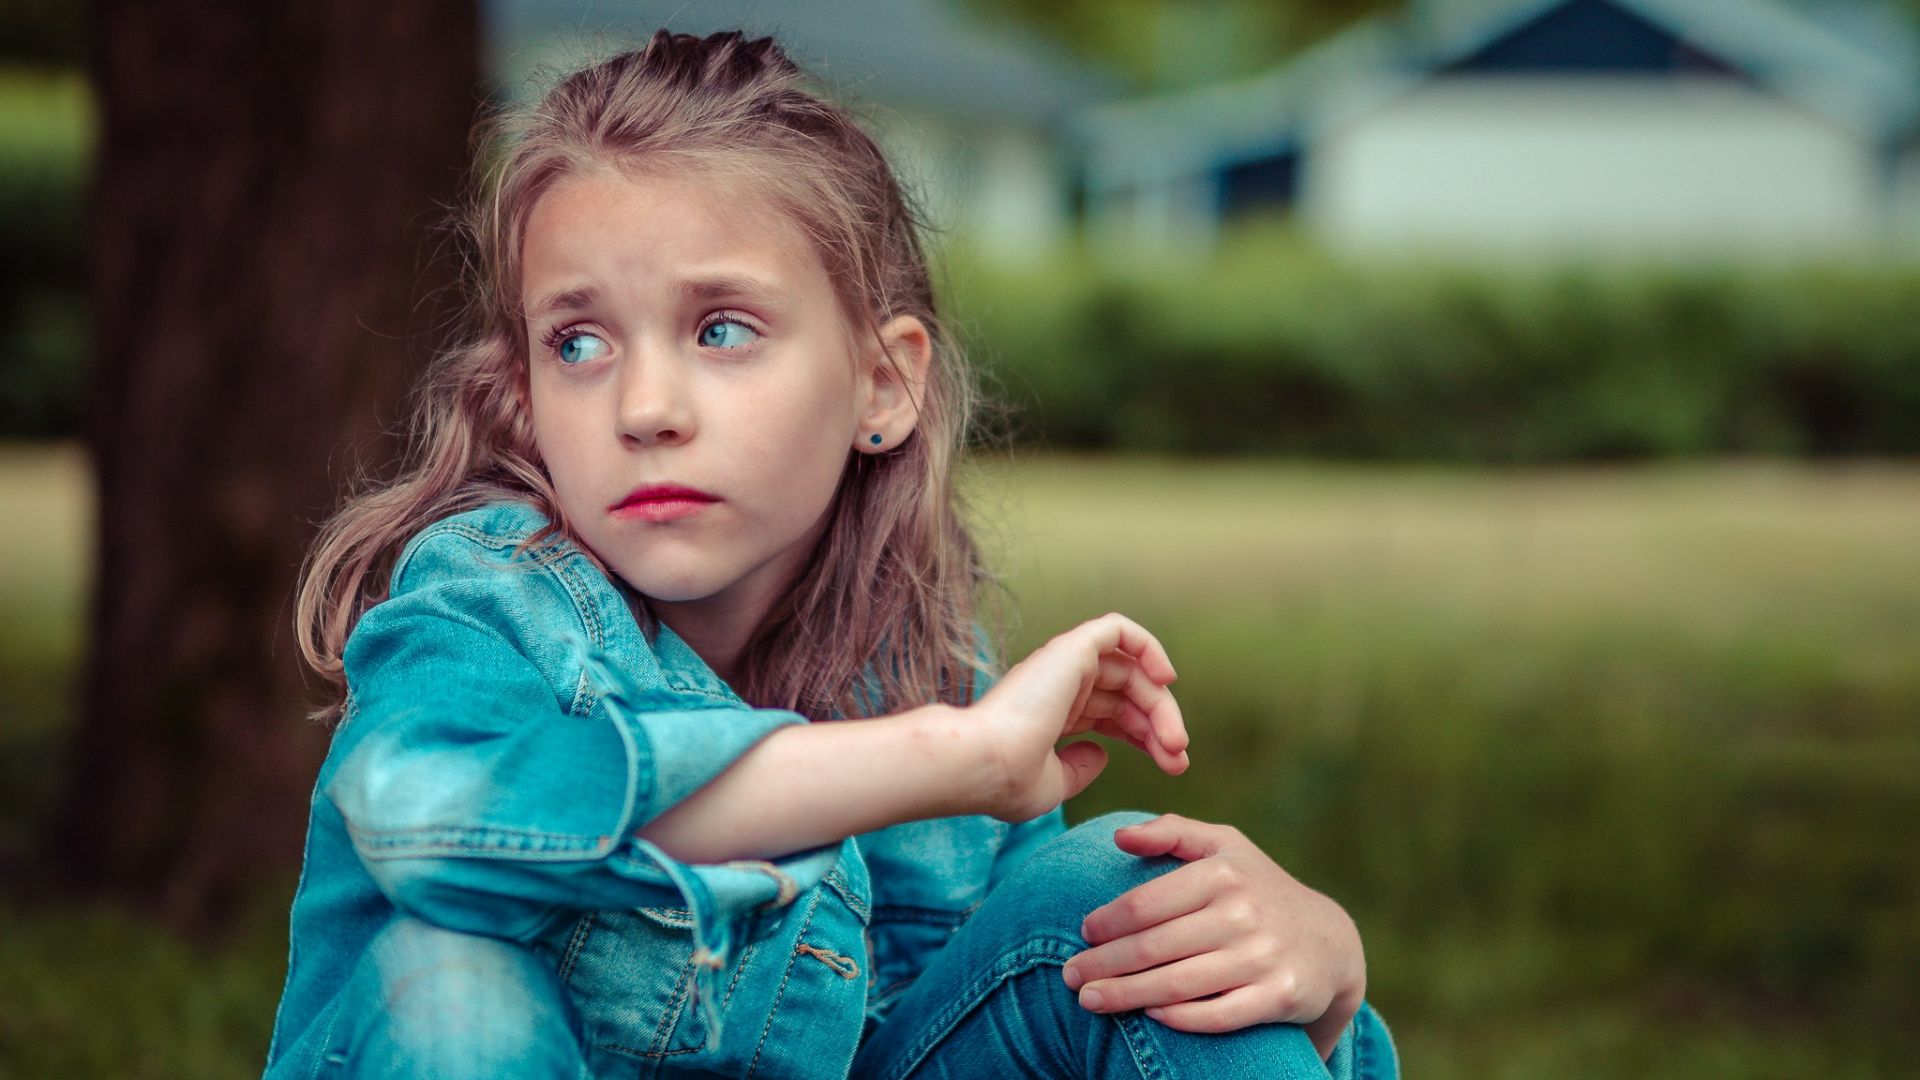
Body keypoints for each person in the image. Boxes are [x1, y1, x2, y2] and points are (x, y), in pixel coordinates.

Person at [263, 28, 1397, 1080]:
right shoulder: (483, 604)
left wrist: (1330, 973)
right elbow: (426, 822)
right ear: (522, 404)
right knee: (448, 985)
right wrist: (948, 757)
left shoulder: (926, 672)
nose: (645, 405)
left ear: (883, 384)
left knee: (1138, 909)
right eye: (580, 342)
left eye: (721, 329)